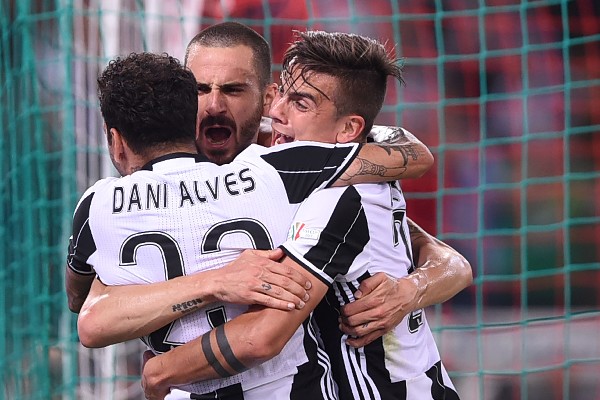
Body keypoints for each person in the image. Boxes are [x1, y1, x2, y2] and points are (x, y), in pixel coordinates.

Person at [68, 21, 471, 349]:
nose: (212, 106)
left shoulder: (305, 173)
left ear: (266, 97)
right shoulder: (147, 188)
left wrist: (411, 290)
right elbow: (94, 314)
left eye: (232, 89)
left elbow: (442, 256)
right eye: (200, 89)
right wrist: (212, 285)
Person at [138, 31, 462, 399]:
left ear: (349, 129)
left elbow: (262, 336)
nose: (276, 113)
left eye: (302, 103)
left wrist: (160, 370)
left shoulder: (334, 192)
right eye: (199, 89)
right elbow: (439, 252)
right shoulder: (346, 165)